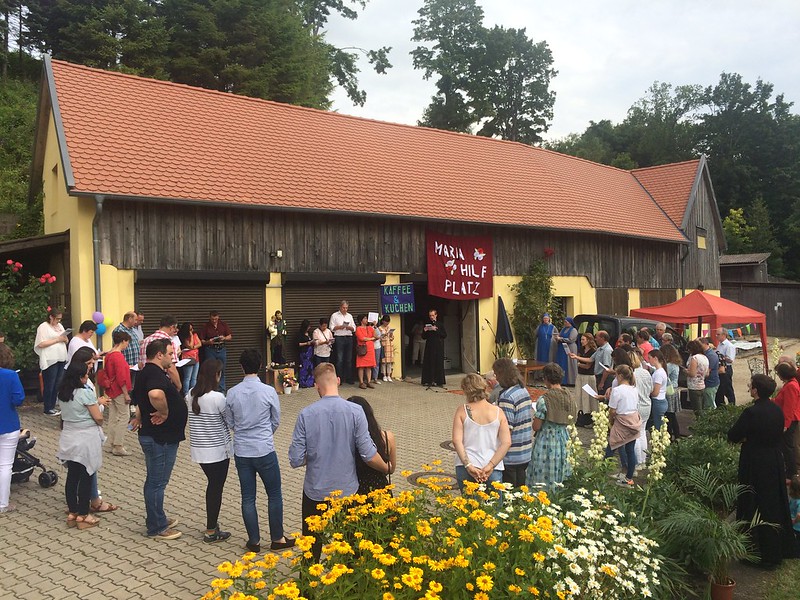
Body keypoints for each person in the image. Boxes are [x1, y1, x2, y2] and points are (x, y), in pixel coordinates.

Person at [289, 363, 390, 561]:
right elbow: (368, 453)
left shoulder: (305, 414)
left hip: (315, 491)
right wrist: (388, 468)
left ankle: (307, 589)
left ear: (317, 386)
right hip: (347, 490)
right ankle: (348, 580)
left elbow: (295, 459)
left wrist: (317, 452)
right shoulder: (355, 412)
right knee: (349, 543)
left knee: (311, 546)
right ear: (338, 381)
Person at [225, 349, 293, 553]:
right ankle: (277, 538)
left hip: (242, 451)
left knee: (248, 497)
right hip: (264, 449)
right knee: (274, 494)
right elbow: (276, 419)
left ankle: (253, 541)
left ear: (241, 367)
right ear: (261, 364)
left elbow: (229, 421)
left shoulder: (232, 392)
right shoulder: (269, 391)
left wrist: (242, 431)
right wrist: (265, 434)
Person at [728, 374, 796, 568]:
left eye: (751, 386)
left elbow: (733, 435)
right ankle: (776, 549)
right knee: (772, 503)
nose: (749, 388)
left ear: (756, 390)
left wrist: (746, 439)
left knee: (753, 503)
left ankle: (756, 550)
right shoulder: (776, 410)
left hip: (754, 462)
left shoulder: (751, 413)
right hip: (773, 461)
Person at [130, 339, 187, 540]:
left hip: (158, 436)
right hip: (160, 438)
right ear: (159, 355)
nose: (173, 358)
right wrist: (164, 412)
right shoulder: (153, 374)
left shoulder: (147, 372)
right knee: (157, 483)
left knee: (155, 481)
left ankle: (158, 517)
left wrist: (139, 415)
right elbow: (154, 395)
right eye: (170, 354)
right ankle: (157, 526)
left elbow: (140, 399)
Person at [186, 359, 232, 543]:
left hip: (200, 451)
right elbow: (229, 421)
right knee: (215, 488)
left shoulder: (190, 394)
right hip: (218, 451)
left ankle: (212, 525)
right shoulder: (218, 398)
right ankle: (211, 530)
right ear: (216, 375)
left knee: (212, 486)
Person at [57, 361, 105, 529]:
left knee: (72, 476)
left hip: (69, 436)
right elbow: (98, 417)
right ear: (79, 377)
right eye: (85, 375)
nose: (87, 378)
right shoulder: (85, 393)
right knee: (86, 475)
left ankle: (73, 512)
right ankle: (84, 515)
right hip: (85, 437)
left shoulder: (63, 393)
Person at [452, 373, 511, 492]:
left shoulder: (462, 410)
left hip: (466, 465)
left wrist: (468, 465)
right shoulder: (498, 412)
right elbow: (506, 442)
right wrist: (490, 465)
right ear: (484, 388)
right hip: (492, 467)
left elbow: (456, 440)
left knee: (468, 506)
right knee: (494, 507)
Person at [526, 363, 577, 491]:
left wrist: (534, 421)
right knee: (561, 468)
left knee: (543, 471)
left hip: (546, 440)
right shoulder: (570, 396)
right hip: (564, 439)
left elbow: (537, 426)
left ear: (546, 379)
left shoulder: (544, 400)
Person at [493, 358, 532, 487]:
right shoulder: (522, 390)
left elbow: (507, 428)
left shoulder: (506, 397)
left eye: (496, 374)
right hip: (525, 449)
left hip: (511, 453)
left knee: (509, 493)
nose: (496, 378)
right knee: (521, 490)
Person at [346, 396, 396, 494]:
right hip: (380, 491)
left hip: (353, 492)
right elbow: (391, 468)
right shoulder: (386, 437)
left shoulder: (345, 440)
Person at [607, 365, 642, 487]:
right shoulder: (634, 389)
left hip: (621, 421)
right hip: (633, 420)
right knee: (630, 450)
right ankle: (629, 478)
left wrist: (610, 421)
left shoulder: (617, 390)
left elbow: (612, 410)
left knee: (611, 446)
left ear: (620, 376)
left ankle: (601, 471)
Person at [0, 344, 25, 513]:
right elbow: (19, 399)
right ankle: (3, 503)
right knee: (5, 466)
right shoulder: (10, 376)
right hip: (8, 424)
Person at [102, 330, 133, 456]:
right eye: (127, 342)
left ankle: (110, 442)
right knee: (124, 416)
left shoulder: (109, 354)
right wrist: (126, 393)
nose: (127, 345)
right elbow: (122, 377)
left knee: (113, 417)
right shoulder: (118, 356)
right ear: (123, 341)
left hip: (111, 389)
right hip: (119, 389)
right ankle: (118, 445)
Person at [34, 308, 69, 416]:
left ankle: (53, 405)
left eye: (60, 319)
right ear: (51, 317)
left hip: (61, 357)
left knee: (57, 383)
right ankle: (47, 407)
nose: (58, 321)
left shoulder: (59, 326)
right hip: (50, 359)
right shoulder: (43, 327)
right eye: (57, 319)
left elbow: (66, 339)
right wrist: (57, 340)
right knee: (50, 383)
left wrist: (64, 339)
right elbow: (40, 343)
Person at [140, 316, 182, 390]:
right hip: (162, 383)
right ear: (172, 327)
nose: (175, 332)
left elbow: (140, 364)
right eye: (175, 329)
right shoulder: (169, 342)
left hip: (144, 381)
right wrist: (179, 385)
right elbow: (171, 368)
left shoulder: (146, 340)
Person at [774, 362, 800, 480]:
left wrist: (786, 424)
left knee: (788, 447)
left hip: (790, 420)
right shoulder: (791, 383)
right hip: (790, 419)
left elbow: (789, 407)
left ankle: (791, 473)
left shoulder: (791, 386)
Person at [629, 350, 652, 470]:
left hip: (636, 405)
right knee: (642, 432)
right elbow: (651, 388)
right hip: (647, 404)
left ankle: (637, 461)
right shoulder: (646, 372)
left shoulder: (632, 375)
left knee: (635, 435)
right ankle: (643, 459)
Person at [199, 311, 233, 392]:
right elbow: (201, 341)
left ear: (218, 317)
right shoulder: (206, 326)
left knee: (222, 369)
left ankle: (222, 390)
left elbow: (230, 336)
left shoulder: (223, 324)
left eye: (216, 319)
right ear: (209, 318)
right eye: (212, 319)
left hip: (221, 348)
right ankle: (210, 389)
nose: (214, 321)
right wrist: (208, 342)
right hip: (210, 349)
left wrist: (224, 338)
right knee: (210, 369)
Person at [571, 332, 598, 428]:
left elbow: (588, 365)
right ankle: (580, 414)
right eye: (581, 339)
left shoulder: (593, 351)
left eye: (583, 340)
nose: (581, 341)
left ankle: (589, 417)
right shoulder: (581, 349)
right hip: (580, 375)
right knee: (579, 395)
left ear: (588, 341)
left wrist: (578, 363)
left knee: (587, 397)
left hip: (588, 376)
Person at [329, 301, 355, 385]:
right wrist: (340, 327)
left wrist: (349, 327)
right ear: (340, 307)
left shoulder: (349, 316)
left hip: (349, 337)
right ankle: (339, 378)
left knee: (349, 359)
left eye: (346, 308)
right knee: (339, 359)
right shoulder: (334, 315)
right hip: (339, 337)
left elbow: (354, 328)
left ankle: (348, 378)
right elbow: (331, 328)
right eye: (344, 308)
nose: (345, 309)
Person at [661, 344, 683, 438]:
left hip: (669, 391)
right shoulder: (675, 364)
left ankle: (671, 435)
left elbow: (663, 374)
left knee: (669, 416)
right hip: (674, 390)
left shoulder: (669, 365)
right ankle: (676, 436)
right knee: (672, 416)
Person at [421, 309, 447, 388]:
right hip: (429, 346)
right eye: (430, 316)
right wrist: (424, 331)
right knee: (429, 362)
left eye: (433, 315)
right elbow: (423, 337)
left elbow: (444, 335)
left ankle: (439, 381)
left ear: (436, 315)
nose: (431, 317)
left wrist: (436, 330)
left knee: (438, 363)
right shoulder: (427, 324)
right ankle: (429, 380)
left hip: (438, 346)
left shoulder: (440, 324)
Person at [686, 339, 709, 415]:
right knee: (701, 408)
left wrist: (686, 371)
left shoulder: (694, 358)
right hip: (702, 384)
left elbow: (692, 374)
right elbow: (707, 373)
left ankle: (700, 425)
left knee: (697, 410)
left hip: (694, 386)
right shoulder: (705, 357)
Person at [177, 322, 201, 395]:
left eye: (192, 329)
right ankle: (186, 394)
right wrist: (191, 337)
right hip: (188, 359)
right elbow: (190, 346)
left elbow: (199, 344)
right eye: (190, 329)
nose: (192, 331)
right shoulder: (185, 337)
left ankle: (193, 393)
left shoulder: (195, 334)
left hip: (196, 358)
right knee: (188, 378)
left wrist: (194, 347)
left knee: (194, 377)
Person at [715, 328, 736, 406]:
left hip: (726, 368)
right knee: (719, 390)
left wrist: (722, 357)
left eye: (718, 334)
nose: (716, 336)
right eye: (716, 334)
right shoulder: (720, 344)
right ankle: (720, 407)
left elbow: (730, 360)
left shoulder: (729, 346)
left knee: (728, 389)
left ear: (724, 335)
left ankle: (732, 406)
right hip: (720, 367)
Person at [553, 317, 578, 385]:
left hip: (570, 348)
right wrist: (557, 338)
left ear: (569, 322)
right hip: (562, 348)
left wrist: (561, 338)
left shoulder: (573, 330)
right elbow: (559, 335)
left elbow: (571, 339)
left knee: (569, 364)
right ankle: (561, 380)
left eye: (566, 322)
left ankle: (570, 381)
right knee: (561, 363)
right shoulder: (563, 329)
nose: (565, 323)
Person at [648, 349, 668, 431]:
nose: (648, 361)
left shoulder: (659, 373)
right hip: (661, 400)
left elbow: (655, 392)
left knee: (658, 428)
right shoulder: (660, 371)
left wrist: (648, 392)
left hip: (657, 401)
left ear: (655, 358)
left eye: (649, 358)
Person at [355, 314, 377, 389]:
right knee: (361, 366)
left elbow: (377, 336)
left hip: (370, 349)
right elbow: (362, 338)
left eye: (366, 318)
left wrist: (375, 326)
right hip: (362, 349)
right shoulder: (358, 328)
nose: (366, 320)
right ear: (361, 320)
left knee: (369, 366)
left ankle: (369, 381)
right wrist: (371, 338)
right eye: (364, 318)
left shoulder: (370, 328)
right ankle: (361, 382)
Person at [699, 337, 720, 410]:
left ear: (705, 344)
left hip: (710, 383)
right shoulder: (705, 354)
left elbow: (707, 372)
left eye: (699, 345)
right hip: (707, 383)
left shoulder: (711, 355)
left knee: (709, 406)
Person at [296, 320, 315, 388]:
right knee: (304, 368)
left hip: (310, 353)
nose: (309, 328)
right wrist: (306, 343)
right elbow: (298, 344)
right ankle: (303, 382)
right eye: (308, 326)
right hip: (304, 353)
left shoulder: (309, 333)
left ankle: (310, 382)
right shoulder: (300, 334)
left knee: (310, 368)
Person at [378, 315, 395, 382]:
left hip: (389, 346)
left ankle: (389, 375)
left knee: (389, 362)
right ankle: (384, 375)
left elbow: (392, 338)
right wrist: (384, 335)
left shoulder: (389, 328)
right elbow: (378, 337)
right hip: (383, 345)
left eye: (388, 322)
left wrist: (391, 335)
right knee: (383, 362)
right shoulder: (379, 328)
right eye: (386, 322)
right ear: (383, 321)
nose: (387, 323)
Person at [370, 318, 383, 384]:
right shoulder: (369, 328)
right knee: (369, 363)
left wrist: (375, 327)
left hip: (377, 346)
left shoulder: (377, 328)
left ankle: (375, 378)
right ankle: (368, 378)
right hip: (370, 346)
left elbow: (379, 335)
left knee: (376, 363)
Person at [789, 478, 800, 543]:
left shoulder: (797, 501)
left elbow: (799, 515)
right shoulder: (794, 499)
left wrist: (793, 522)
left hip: (797, 527)